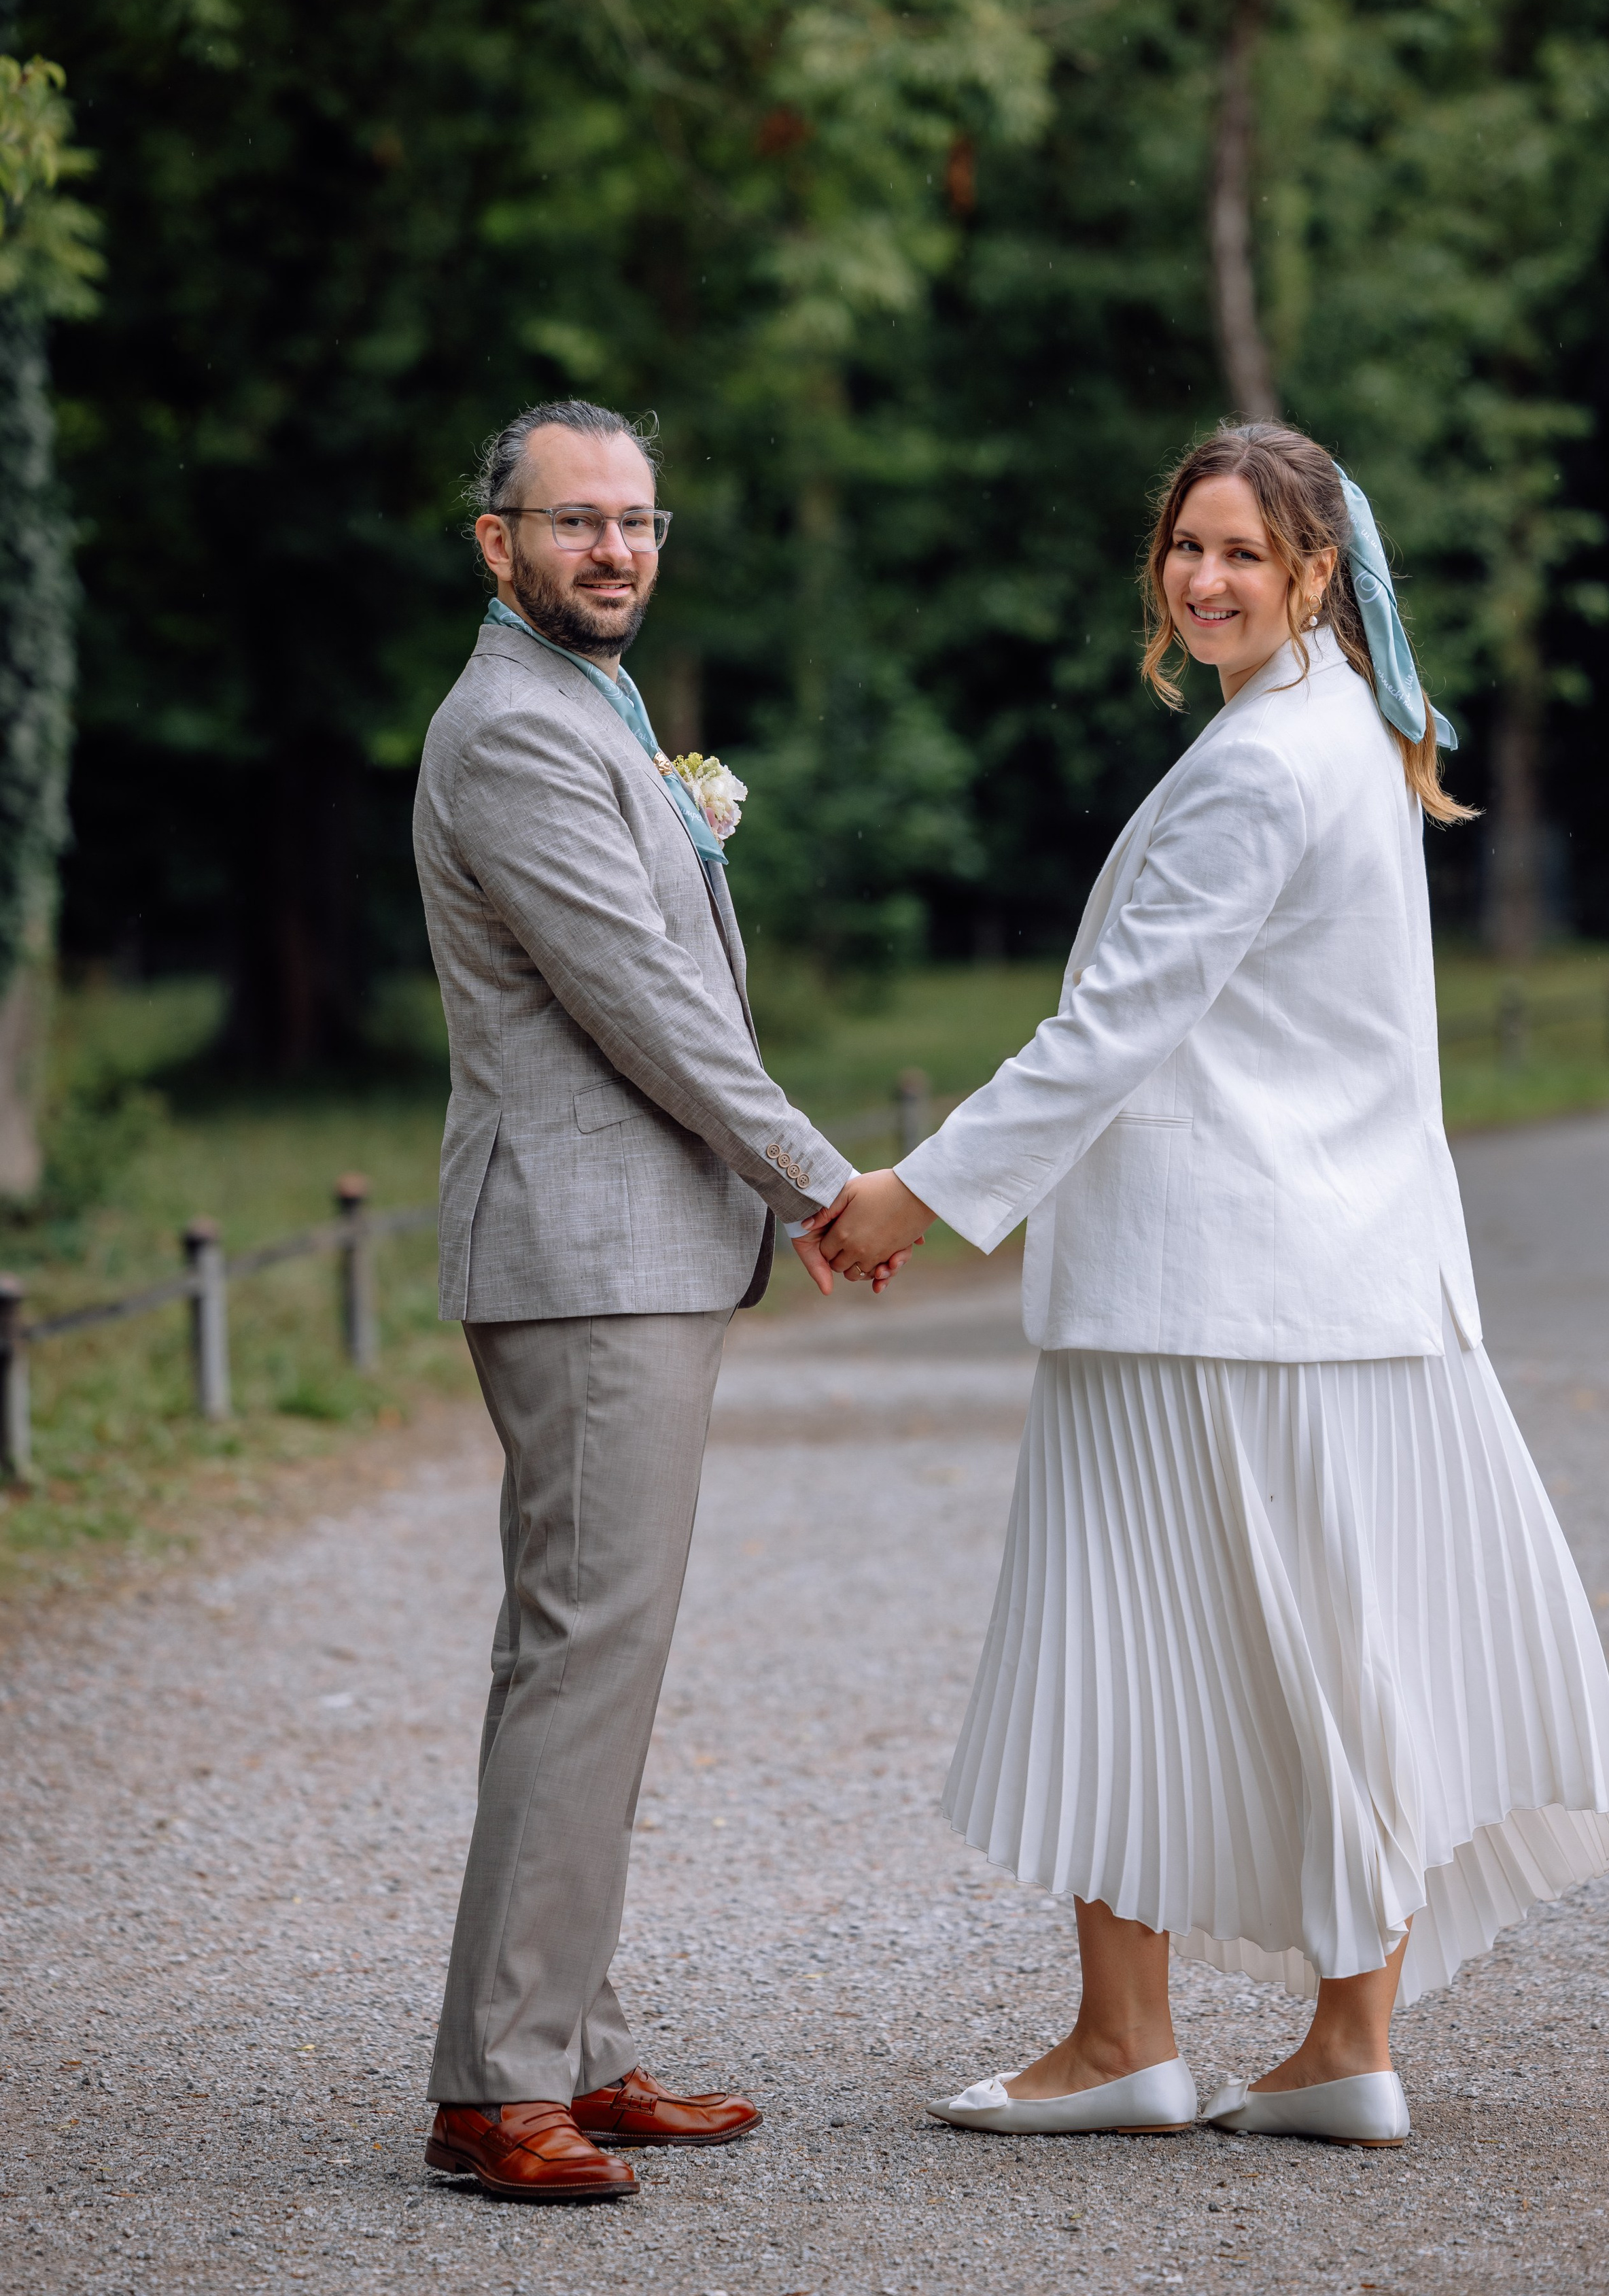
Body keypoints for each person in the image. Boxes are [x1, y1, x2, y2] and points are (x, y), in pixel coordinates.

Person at [808, 421, 1609, 2148]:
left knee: (1125, 1639)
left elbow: (1109, 1029)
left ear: (1313, 573)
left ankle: (1126, 2041)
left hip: (1204, 1291)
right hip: (1338, 1279)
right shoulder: (1342, 726)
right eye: (1184, 547)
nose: (1201, 578)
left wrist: (913, 1195)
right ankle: (1344, 2041)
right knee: (1343, 1649)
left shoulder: (1265, 763)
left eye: (1240, 553)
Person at [413, 398, 859, 2201]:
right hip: (584, 1257)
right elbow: (652, 1008)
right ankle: (494, 2083)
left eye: (638, 520)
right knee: (587, 1652)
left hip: (626, 1248)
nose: (615, 548)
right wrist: (823, 1176)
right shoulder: (511, 731)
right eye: (575, 520)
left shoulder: (586, 699)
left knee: (588, 1649)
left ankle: (571, 2044)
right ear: (494, 540)